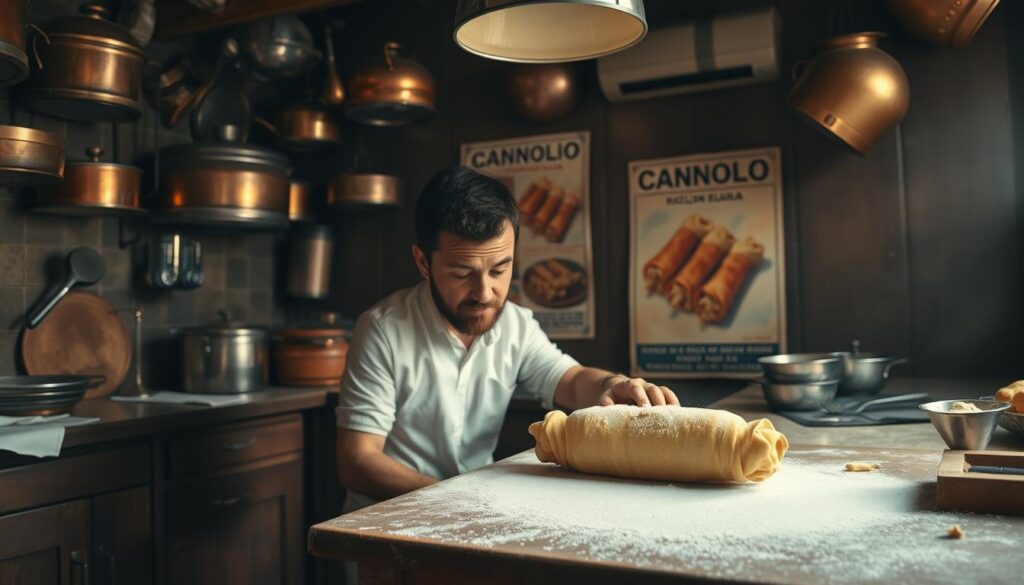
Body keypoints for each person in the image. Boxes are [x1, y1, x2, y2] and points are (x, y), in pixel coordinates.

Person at [335, 165, 680, 514]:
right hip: (387, 521)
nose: (485, 293)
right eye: (462, 273)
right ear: (424, 263)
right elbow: (357, 461)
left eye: (500, 270)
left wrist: (612, 383)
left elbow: (571, 380)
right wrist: (456, 496)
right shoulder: (381, 330)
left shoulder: (515, 325)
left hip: (474, 512)